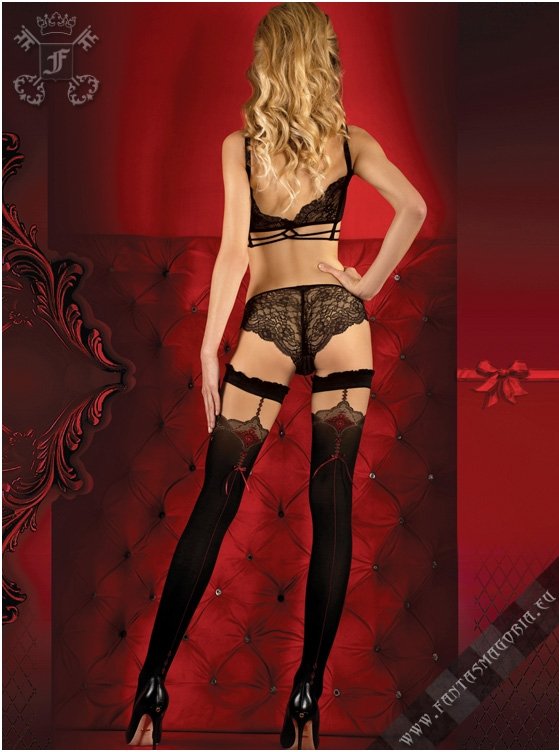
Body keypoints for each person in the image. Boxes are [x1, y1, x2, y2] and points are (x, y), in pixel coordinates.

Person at [125, 3, 426, 749]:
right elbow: (414, 208)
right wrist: (366, 285)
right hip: (339, 318)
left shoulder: (242, 145)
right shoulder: (351, 142)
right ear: (324, 59)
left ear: (266, 61)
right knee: (335, 508)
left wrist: (209, 346)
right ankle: (305, 704)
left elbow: (236, 252)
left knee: (214, 505)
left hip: (267, 320)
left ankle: (150, 692)